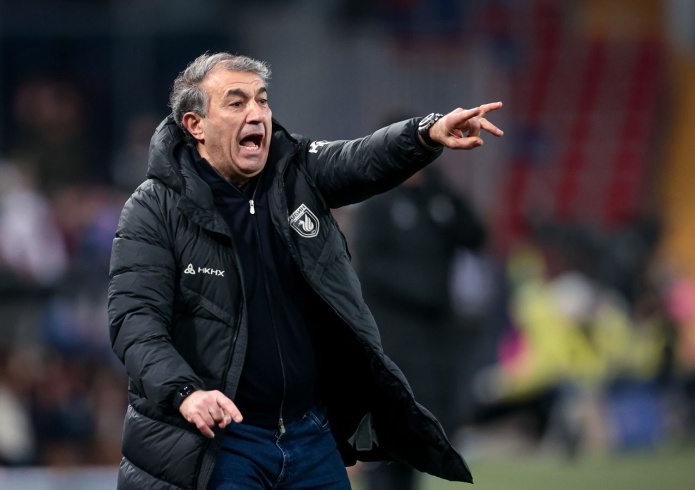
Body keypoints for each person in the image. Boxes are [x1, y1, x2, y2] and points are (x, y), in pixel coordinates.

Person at [107, 51, 503, 489]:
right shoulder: (153, 210)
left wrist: (425, 133)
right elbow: (135, 320)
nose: (256, 114)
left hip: (309, 435)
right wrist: (186, 392)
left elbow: (358, 158)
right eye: (237, 103)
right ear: (195, 125)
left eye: (262, 100)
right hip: (221, 441)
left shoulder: (293, 173)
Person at [352, 163, 488, 490]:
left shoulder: (438, 201)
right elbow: (368, 268)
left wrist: (444, 191)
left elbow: (476, 236)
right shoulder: (377, 204)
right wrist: (424, 289)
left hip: (435, 345)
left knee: (420, 439)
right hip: (391, 340)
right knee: (387, 439)